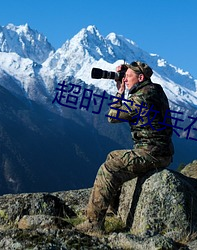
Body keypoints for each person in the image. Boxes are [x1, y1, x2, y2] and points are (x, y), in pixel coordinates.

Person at [76, 61, 174, 233]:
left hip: (152, 153)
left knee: (109, 168)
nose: (125, 79)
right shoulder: (155, 89)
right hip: (161, 151)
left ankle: (93, 224)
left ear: (141, 78)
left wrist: (119, 92)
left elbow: (112, 117)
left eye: (129, 77)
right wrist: (126, 72)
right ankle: (113, 210)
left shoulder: (140, 98)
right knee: (113, 156)